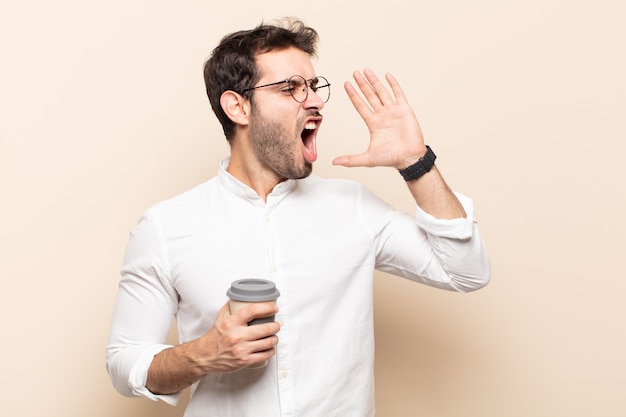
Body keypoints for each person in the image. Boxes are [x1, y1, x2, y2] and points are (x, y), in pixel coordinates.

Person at [106, 17, 490, 417]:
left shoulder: (353, 207)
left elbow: (465, 272)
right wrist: (204, 355)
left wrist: (415, 162)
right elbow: (123, 361)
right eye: (290, 88)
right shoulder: (166, 227)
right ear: (238, 106)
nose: (314, 101)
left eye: (312, 86)